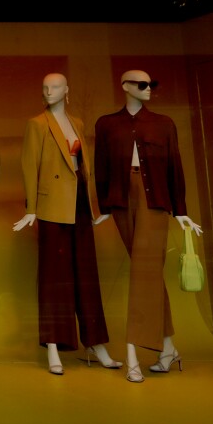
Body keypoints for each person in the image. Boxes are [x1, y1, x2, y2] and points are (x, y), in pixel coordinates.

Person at [94, 70, 202, 384]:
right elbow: (100, 164)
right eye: (142, 85)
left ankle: (132, 356)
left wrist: (180, 210)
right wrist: (103, 206)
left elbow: (174, 165)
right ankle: (168, 348)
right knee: (149, 272)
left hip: (155, 200)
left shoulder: (164, 123)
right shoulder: (107, 124)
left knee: (144, 273)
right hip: (120, 202)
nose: (148, 90)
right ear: (125, 87)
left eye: (151, 85)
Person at [14, 73, 120, 376]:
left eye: (55, 87)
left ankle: (96, 343)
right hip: (51, 208)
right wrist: (31, 209)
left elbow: (82, 166)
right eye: (45, 87)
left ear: (66, 90)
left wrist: (96, 206)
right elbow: (28, 165)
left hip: (80, 206)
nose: (49, 92)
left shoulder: (78, 123)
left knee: (87, 276)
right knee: (53, 280)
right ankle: (53, 347)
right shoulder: (37, 124)